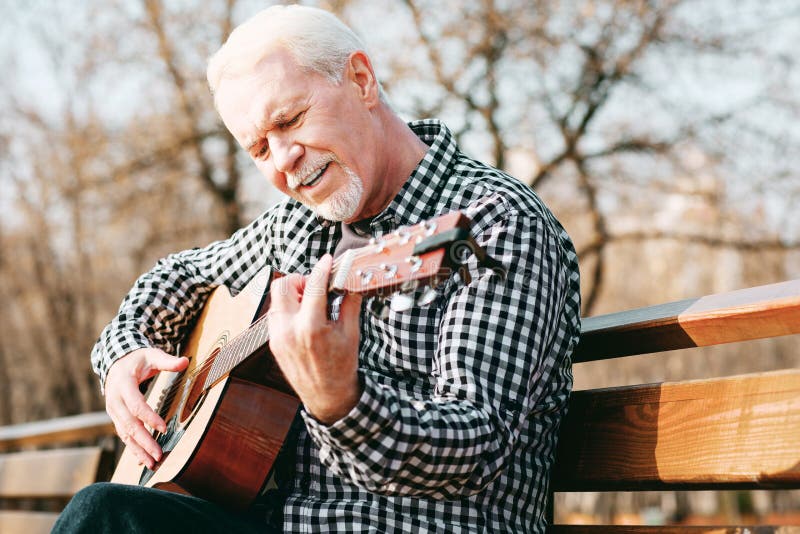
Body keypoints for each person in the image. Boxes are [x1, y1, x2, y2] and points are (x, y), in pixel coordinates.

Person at [54, 4, 580, 533]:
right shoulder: (296, 226)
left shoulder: (492, 222)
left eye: (289, 120)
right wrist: (123, 355)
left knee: (103, 517)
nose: (281, 160)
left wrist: (341, 402)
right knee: (107, 511)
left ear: (360, 79)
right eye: (259, 148)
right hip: (279, 521)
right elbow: (176, 276)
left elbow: (476, 444)